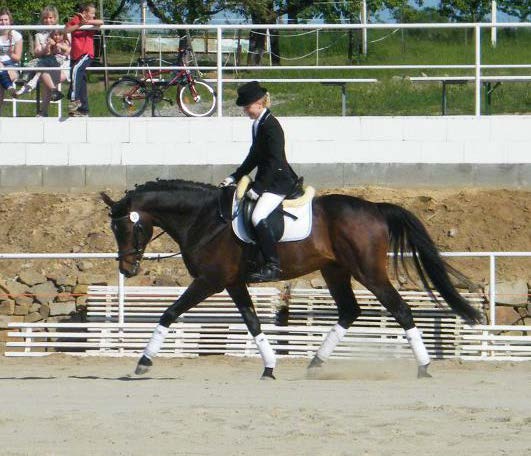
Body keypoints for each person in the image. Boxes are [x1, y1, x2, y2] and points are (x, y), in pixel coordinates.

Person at [219, 81, 299, 282]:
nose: (245, 110)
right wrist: (235, 176)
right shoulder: (258, 124)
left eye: (247, 106)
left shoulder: (272, 126)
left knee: (257, 216)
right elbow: (254, 157)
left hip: (279, 181)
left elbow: (275, 161)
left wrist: (259, 187)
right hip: (268, 180)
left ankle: (273, 265)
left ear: (259, 103)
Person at [16, 6, 70, 116]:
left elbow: (68, 50)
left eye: (50, 17)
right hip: (45, 64)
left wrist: (57, 46)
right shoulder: (39, 34)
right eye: (45, 18)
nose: (48, 20)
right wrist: (46, 48)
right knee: (43, 72)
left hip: (61, 65)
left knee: (43, 72)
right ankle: (46, 105)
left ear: (55, 18)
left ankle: (28, 86)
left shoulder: (62, 30)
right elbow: (37, 52)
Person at [65, 2, 103, 117]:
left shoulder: (92, 21)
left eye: (94, 14)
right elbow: (66, 30)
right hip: (75, 55)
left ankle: (74, 99)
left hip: (86, 54)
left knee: (76, 71)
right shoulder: (76, 19)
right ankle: (83, 110)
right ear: (84, 12)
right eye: (91, 13)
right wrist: (80, 24)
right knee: (80, 80)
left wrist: (88, 22)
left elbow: (101, 22)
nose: (93, 15)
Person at [0, 7, 22, 114]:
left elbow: (18, 57)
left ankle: (8, 86)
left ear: (10, 21)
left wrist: (9, 53)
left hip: (11, 65)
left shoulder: (16, 35)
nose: (3, 23)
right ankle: (10, 88)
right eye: (1, 20)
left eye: (5, 20)